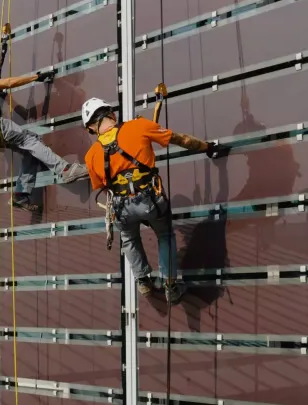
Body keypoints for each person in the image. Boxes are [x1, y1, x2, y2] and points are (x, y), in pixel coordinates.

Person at [80, 97, 230, 302]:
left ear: (91, 128)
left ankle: (143, 280)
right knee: (165, 234)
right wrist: (208, 147)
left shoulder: (91, 156)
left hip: (120, 206)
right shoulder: (139, 126)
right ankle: (170, 285)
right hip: (149, 199)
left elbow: (103, 187)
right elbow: (182, 140)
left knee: (129, 238)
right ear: (111, 114)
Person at [0, 43, 90, 212]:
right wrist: (36, 77)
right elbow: (7, 83)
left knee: (29, 149)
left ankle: (21, 194)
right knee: (32, 140)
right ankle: (65, 170)